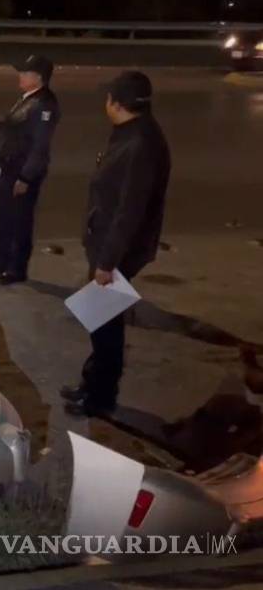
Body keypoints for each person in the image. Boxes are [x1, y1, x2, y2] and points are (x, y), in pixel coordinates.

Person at [62, 71, 171, 417]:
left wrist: (107, 263)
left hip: (117, 250)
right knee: (99, 321)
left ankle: (100, 398)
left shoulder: (140, 145)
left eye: (108, 97)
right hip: (109, 243)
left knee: (105, 325)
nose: (104, 103)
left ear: (118, 104)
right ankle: (92, 384)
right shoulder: (131, 133)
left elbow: (130, 211)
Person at [0, 55, 61, 285]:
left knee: (19, 221)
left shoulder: (45, 104)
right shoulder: (28, 98)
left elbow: (40, 147)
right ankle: (0, 261)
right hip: (8, 165)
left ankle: (16, 269)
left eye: (25, 73)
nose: (20, 76)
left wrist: (26, 176)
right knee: (2, 216)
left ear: (39, 78)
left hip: (22, 171)